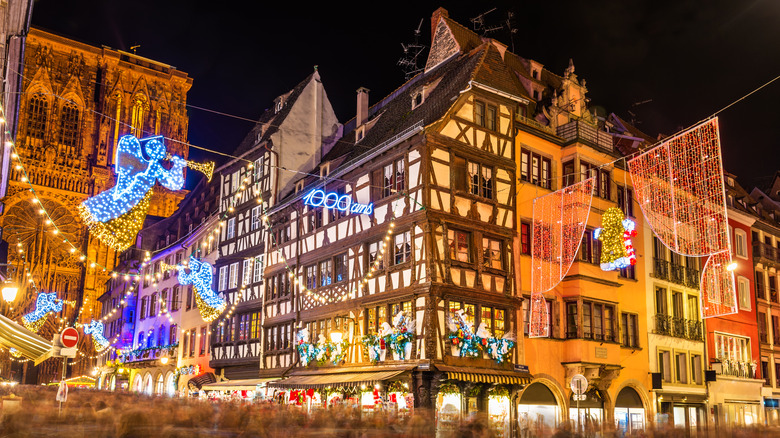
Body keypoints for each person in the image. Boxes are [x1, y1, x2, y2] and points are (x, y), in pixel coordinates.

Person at [79, 135, 186, 251]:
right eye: (160, 150)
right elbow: (173, 183)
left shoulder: (153, 166)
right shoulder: (146, 165)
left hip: (134, 202)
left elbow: (175, 184)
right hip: (130, 199)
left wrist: (178, 166)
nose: (163, 154)